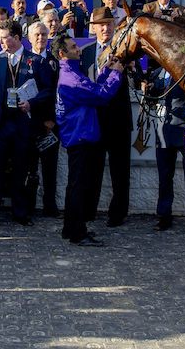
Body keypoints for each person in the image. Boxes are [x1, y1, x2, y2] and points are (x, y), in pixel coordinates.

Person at [54, 32, 124, 246]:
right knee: (80, 187)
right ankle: (77, 232)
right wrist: (116, 74)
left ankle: (70, 228)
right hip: (80, 137)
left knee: (76, 185)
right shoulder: (71, 79)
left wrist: (106, 71)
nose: (78, 49)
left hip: (80, 136)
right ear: (62, 53)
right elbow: (101, 95)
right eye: (73, 47)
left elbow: (92, 88)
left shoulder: (73, 74)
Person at [0, 20, 53, 228]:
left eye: (4, 38)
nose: (0, 42)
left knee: (21, 171)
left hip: (23, 125)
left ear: (16, 38)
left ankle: (21, 213)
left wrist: (32, 103)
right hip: (0, 125)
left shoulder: (36, 61)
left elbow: (48, 90)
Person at [81, 8, 134, 228]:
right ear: (93, 28)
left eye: (109, 24)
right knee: (91, 169)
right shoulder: (84, 52)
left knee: (120, 171)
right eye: (101, 25)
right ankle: (88, 211)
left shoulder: (124, 50)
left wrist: (130, 70)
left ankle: (118, 213)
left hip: (119, 120)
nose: (105, 28)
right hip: (94, 120)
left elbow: (137, 79)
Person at [144, 65, 185, 235]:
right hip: (163, 130)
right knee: (164, 176)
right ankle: (164, 216)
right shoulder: (155, 73)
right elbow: (151, 96)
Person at [24, 22, 61, 218]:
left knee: (50, 167)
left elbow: (58, 93)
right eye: (37, 35)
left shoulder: (55, 62)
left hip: (51, 124)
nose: (41, 38)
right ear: (29, 38)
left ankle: (50, 205)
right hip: (29, 123)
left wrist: (51, 120)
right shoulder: (24, 61)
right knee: (30, 167)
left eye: (44, 35)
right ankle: (29, 206)